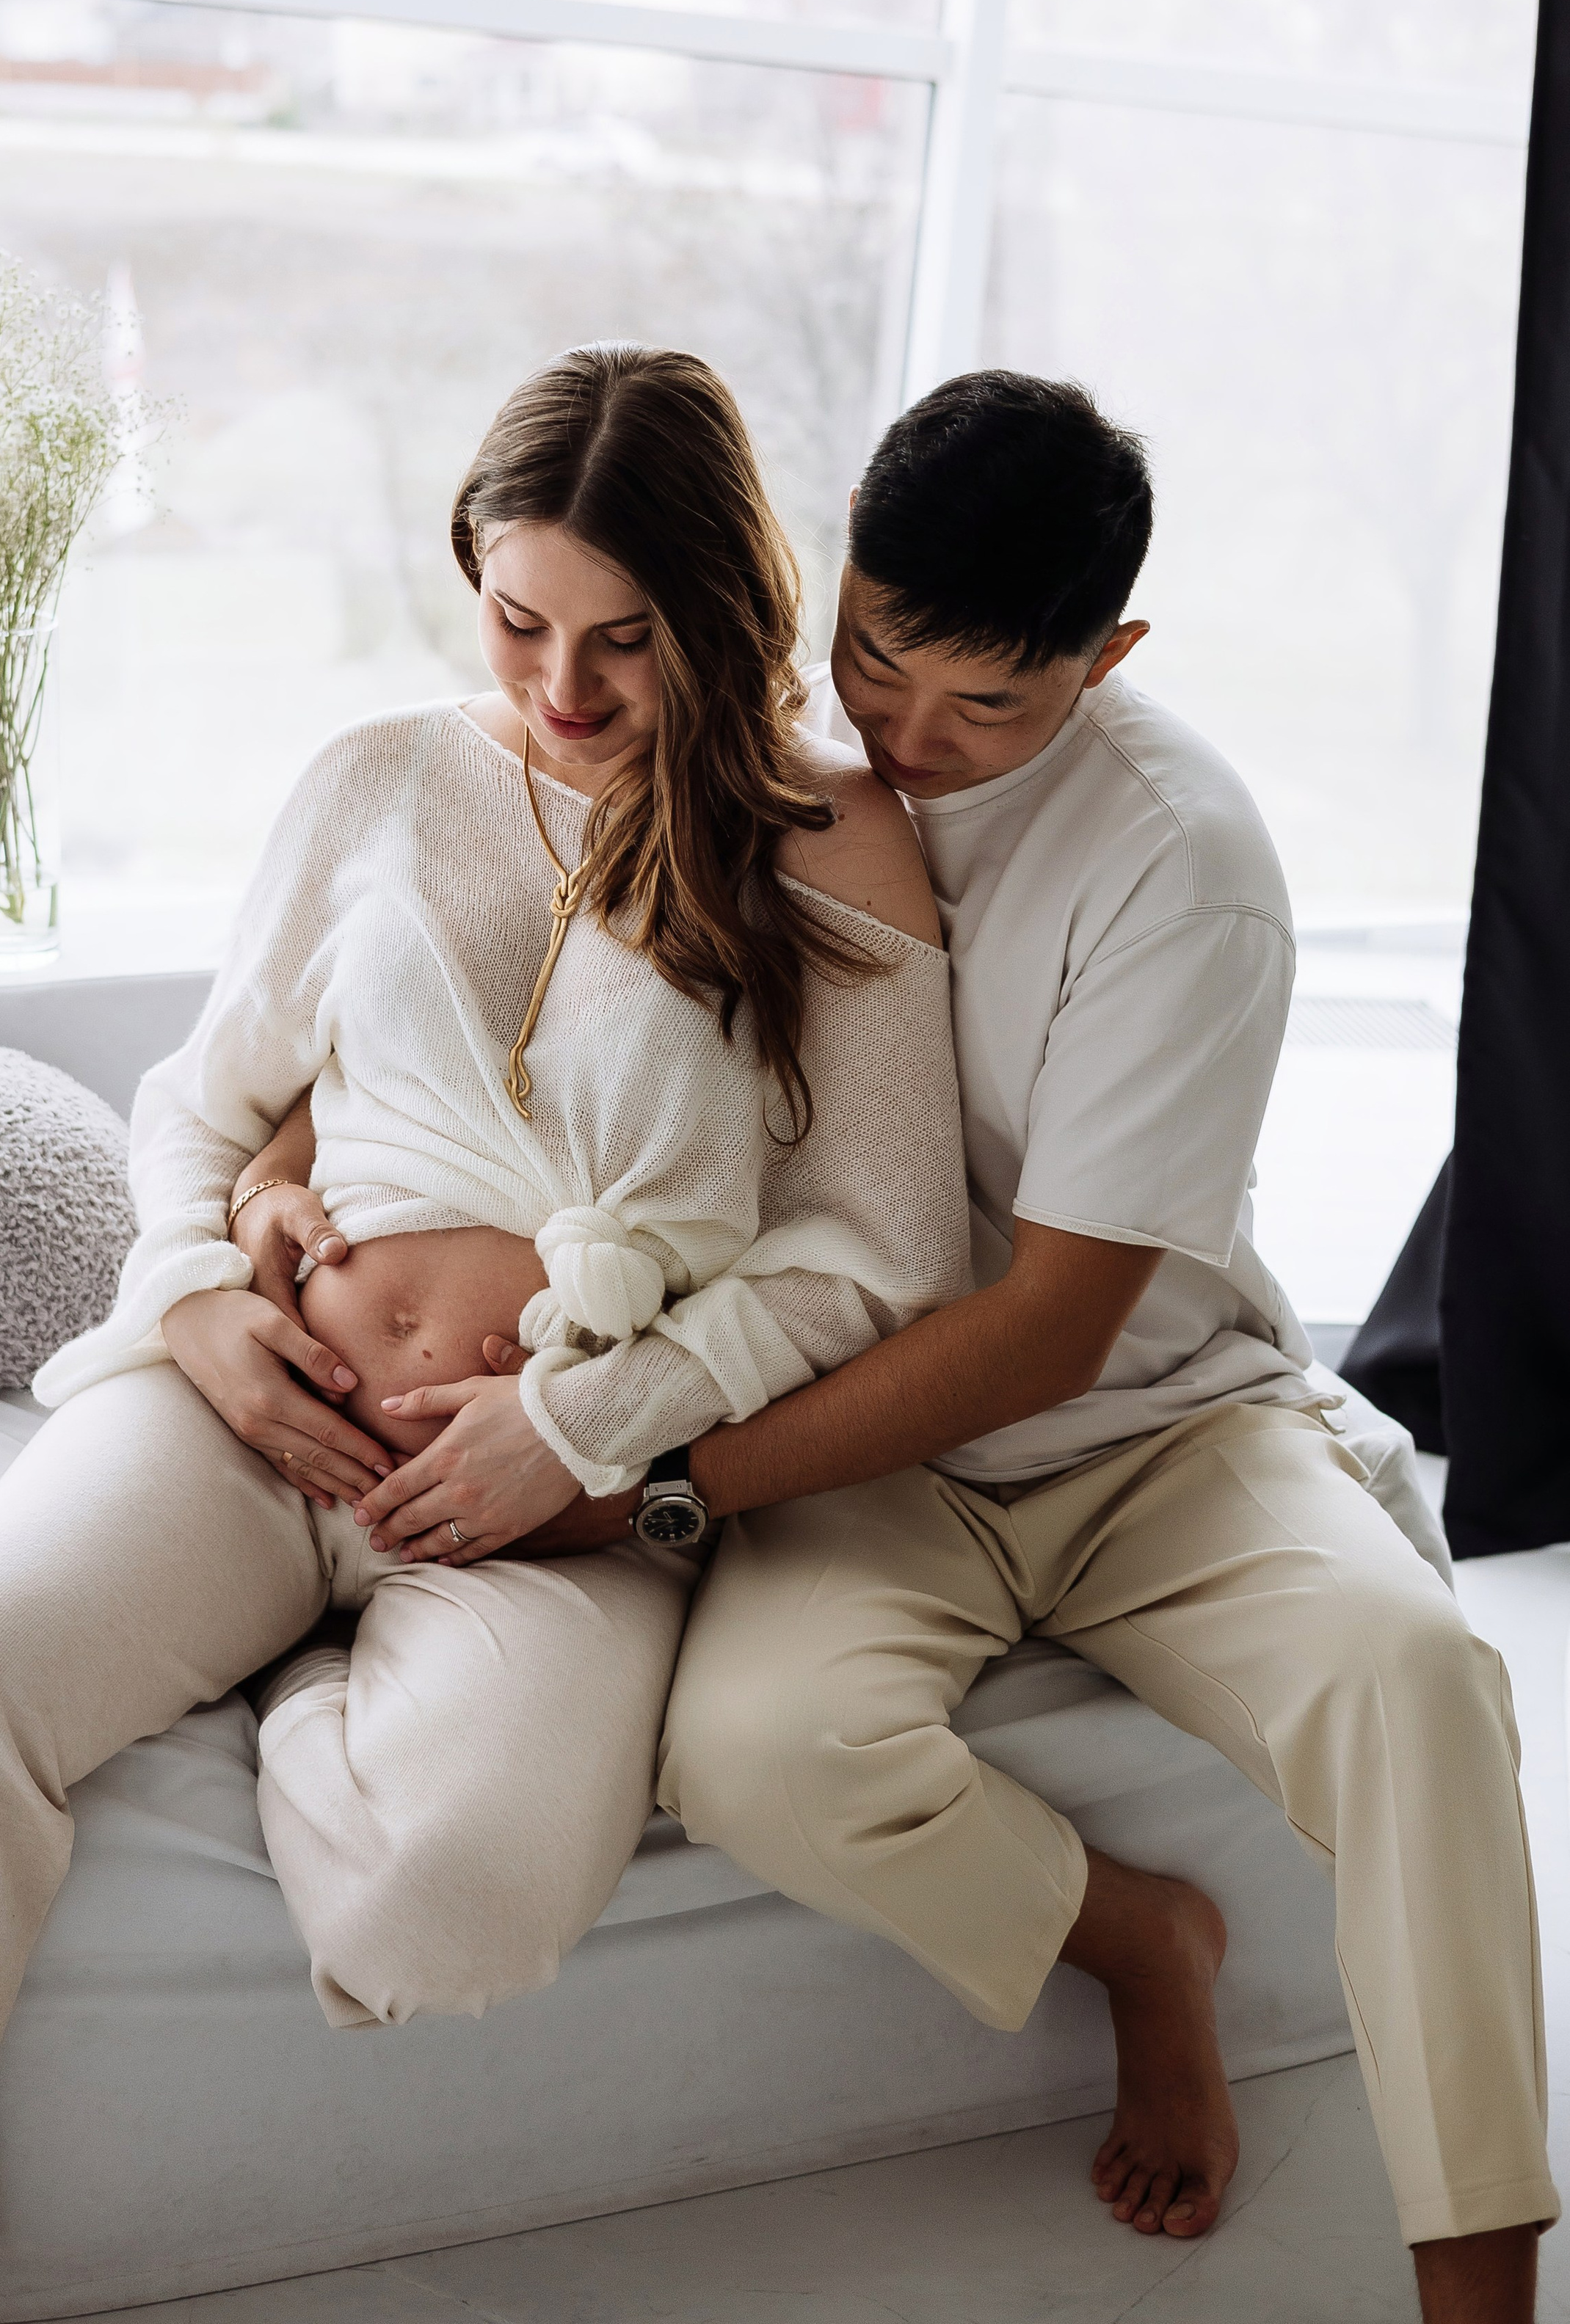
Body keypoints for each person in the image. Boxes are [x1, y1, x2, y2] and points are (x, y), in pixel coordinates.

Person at [0, 346, 964, 2324]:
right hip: (246, 1417)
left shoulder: (830, 844)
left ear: (724, 614)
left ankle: (287, 1682)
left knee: (458, 1896)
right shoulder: (379, 779)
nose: (562, 690)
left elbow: (878, 1260)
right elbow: (202, 1103)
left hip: (546, 1493)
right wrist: (198, 1304)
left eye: (624, 642)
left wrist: (598, 1429)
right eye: (518, 619)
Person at [355, 371, 1556, 2324]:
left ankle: (1483, 2285)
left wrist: (648, 1480)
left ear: (1112, 656)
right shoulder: (770, 772)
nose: (909, 734)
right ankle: (1140, 1946)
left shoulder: (1182, 866)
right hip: (875, 1445)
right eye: (874, 659)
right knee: (759, 1751)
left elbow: (1053, 1332)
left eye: (985, 704)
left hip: (1156, 1426)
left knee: (1421, 1679)